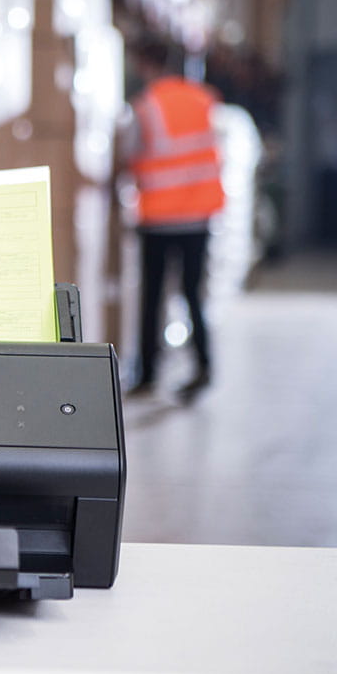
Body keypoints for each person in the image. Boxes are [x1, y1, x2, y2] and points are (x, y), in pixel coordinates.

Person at [122, 37, 226, 402]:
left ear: (146, 63)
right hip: (198, 217)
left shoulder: (147, 106)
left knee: (152, 297)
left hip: (160, 218)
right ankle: (204, 366)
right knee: (193, 293)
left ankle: (148, 374)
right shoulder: (203, 100)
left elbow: (130, 156)